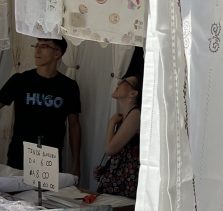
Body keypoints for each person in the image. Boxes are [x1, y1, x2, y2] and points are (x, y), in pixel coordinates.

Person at [0, 37, 81, 180]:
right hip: (19, 154)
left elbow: (74, 125)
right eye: (36, 45)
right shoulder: (20, 80)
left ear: (57, 53)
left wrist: (76, 162)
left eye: (43, 46)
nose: (37, 51)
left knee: (44, 193)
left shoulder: (68, 86)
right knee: (15, 192)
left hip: (49, 156)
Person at [94, 72, 142, 198]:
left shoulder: (135, 115)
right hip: (121, 179)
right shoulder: (127, 115)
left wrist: (111, 123)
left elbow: (110, 149)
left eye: (125, 82)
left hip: (125, 181)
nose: (119, 82)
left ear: (133, 93)